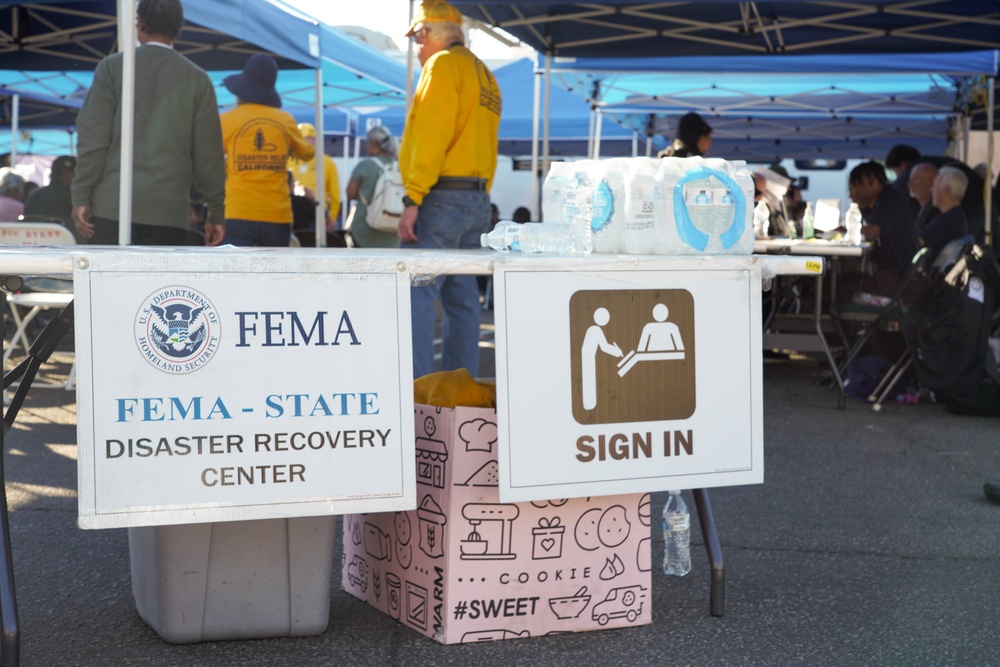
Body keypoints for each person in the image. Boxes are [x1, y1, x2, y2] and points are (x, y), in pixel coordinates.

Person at [398, 0, 502, 379]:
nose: (418, 50)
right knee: (462, 301)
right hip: (476, 198)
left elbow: (430, 135)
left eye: (416, 40)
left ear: (426, 34)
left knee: (414, 294)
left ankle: (417, 393)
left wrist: (413, 197)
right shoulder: (484, 74)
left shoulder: (441, 66)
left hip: (440, 196)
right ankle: (459, 393)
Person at [71, 0, 225, 246]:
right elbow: (209, 155)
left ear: (139, 23)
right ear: (179, 28)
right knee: (157, 286)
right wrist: (216, 211)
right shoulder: (198, 79)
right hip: (168, 211)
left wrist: (81, 195)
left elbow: (93, 140)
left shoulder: (111, 67)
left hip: (111, 207)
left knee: (110, 285)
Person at [220, 54, 314, 247]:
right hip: (276, 215)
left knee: (236, 275)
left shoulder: (227, 120)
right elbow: (307, 154)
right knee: (273, 275)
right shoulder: (284, 120)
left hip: (237, 211)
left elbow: (210, 158)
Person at [848, 161, 919, 295]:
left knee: (840, 288)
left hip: (897, 279)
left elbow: (872, 232)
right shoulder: (881, 201)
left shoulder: (890, 198)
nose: (851, 195)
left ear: (873, 181)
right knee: (839, 280)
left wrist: (845, 230)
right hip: (894, 277)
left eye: (854, 187)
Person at [345, 125, 399, 248]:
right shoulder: (400, 168)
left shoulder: (365, 165)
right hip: (394, 234)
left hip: (364, 233)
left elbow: (350, 194)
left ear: (374, 144)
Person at [289, 122, 341, 233]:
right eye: (305, 139)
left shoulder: (327, 162)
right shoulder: (289, 161)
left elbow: (335, 195)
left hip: (318, 215)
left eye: (312, 139)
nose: (310, 142)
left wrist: (332, 219)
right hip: (292, 215)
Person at [919, 166, 969, 258]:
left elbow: (916, 242)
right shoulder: (956, 216)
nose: (931, 190)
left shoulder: (948, 220)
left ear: (946, 191)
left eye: (934, 186)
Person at [23, 155, 76, 227]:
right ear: (65, 173)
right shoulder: (72, 197)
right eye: (74, 172)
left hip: (34, 236)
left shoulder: (35, 194)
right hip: (62, 237)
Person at [907, 162, 939, 231]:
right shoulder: (923, 208)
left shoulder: (936, 210)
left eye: (915, 179)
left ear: (930, 181)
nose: (909, 184)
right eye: (909, 180)